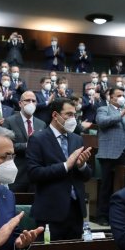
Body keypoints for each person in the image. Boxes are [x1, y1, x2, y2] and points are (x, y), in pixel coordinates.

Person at [26, 99, 93, 240]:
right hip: (51, 211)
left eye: (74, 115)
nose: (73, 118)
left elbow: (86, 176)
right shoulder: (38, 139)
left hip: (76, 210)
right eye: (68, 114)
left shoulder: (77, 139)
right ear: (55, 115)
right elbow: (34, 173)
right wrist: (65, 166)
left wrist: (82, 166)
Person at [95, 88, 125, 225]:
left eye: (123, 95)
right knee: (106, 186)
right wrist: (122, 113)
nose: (122, 97)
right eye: (119, 95)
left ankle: (124, 216)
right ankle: (102, 216)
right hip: (110, 153)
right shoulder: (103, 109)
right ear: (110, 98)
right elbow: (102, 122)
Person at [4, 91, 46, 193]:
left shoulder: (42, 124)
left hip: (36, 175)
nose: (31, 103)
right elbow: (6, 147)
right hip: (17, 173)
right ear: (20, 103)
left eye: (34, 101)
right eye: (27, 100)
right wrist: (27, 145)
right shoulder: (9, 121)